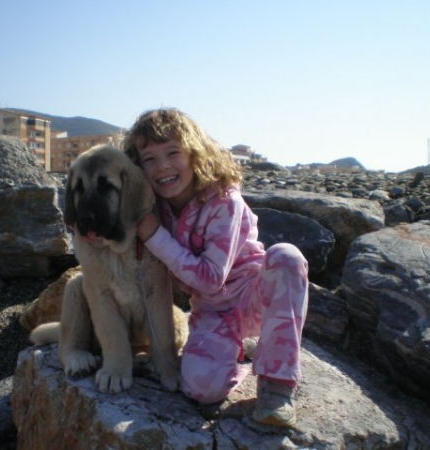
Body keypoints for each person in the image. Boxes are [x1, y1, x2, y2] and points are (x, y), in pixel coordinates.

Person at [123, 108, 309, 427]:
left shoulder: (225, 200)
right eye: (149, 158)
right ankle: (238, 350)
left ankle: (277, 385)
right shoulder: (155, 206)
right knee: (200, 389)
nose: (163, 166)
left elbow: (210, 279)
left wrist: (153, 235)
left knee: (286, 256)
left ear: (196, 153)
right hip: (212, 312)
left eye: (173, 152)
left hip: (255, 299)